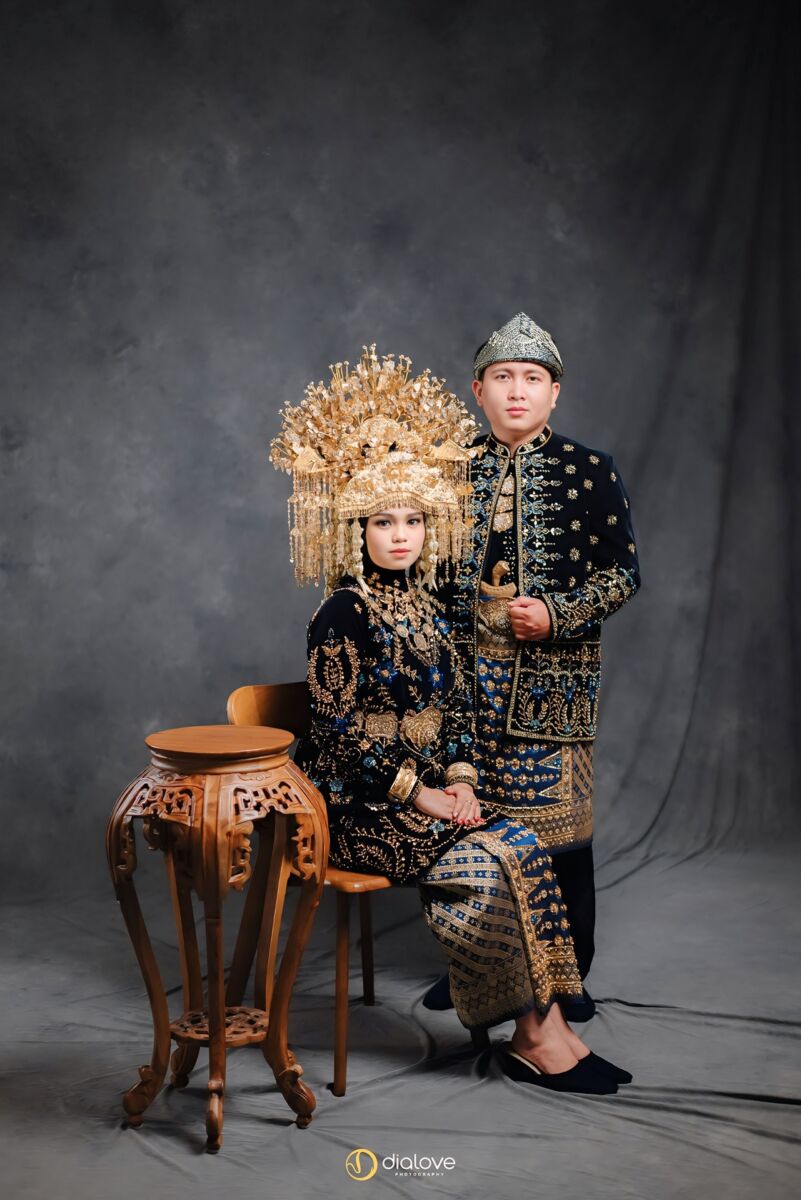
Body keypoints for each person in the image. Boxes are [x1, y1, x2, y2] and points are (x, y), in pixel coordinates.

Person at [270, 346, 631, 1092]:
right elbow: (335, 738)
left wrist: (461, 780)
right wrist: (425, 795)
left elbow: (458, 710)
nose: (401, 535)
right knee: (491, 857)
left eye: (413, 520)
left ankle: (551, 1024)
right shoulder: (342, 613)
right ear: (356, 529)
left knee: (522, 841)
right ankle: (534, 1036)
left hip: (429, 788)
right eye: (382, 521)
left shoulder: (425, 608)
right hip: (354, 806)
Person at [428, 312, 641, 1022]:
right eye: (502, 377)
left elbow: (623, 574)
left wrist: (557, 612)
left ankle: (567, 979)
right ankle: (473, 972)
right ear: (477, 390)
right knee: (470, 826)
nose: (516, 391)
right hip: (461, 682)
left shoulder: (591, 469)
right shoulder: (445, 470)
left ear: (554, 393)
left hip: (550, 681)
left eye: (531, 378)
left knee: (559, 836)